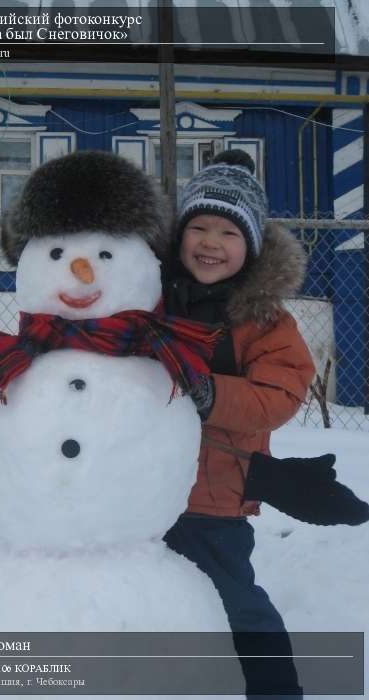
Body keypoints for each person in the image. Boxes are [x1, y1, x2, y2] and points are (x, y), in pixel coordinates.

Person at [162, 149, 315, 699]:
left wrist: (210, 393)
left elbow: (279, 394)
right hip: (140, 485)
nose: (209, 241)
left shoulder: (264, 318)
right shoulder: (154, 298)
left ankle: (275, 689)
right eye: (198, 226)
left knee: (234, 597)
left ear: (249, 245)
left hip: (215, 494)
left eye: (227, 231)